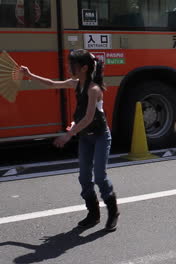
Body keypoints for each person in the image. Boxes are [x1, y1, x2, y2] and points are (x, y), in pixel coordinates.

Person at [20, 49, 120, 231]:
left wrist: (68, 134)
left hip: (100, 136)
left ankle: (113, 212)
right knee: (83, 177)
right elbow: (51, 84)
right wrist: (29, 74)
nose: (68, 67)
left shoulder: (94, 89)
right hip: (85, 137)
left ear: (83, 68)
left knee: (99, 176)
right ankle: (93, 213)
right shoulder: (76, 83)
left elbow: (89, 117)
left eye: (71, 64)